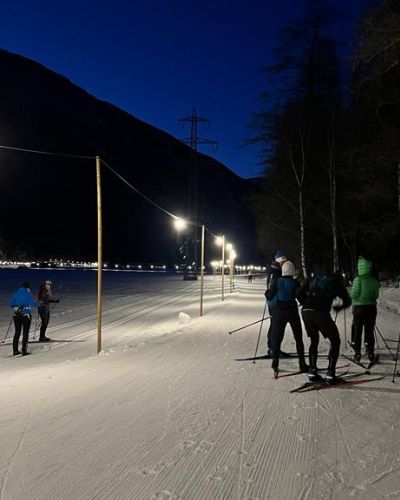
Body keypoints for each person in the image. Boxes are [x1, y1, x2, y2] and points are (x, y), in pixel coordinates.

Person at [296, 264, 352, 383]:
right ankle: (330, 374)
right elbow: (347, 301)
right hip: (319, 313)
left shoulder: (317, 279)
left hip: (306, 311)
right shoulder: (336, 282)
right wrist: (338, 307)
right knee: (335, 340)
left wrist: (306, 302)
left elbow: (298, 292)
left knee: (314, 340)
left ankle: (312, 372)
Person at [266, 261, 308, 374]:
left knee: (277, 338)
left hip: (279, 313)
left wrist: (267, 293)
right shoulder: (295, 283)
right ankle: (302, 364)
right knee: (298, 338)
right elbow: (301, 299)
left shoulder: (277, 282)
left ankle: (275, 362)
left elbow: (270, 296)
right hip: (292, 312)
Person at [349, 257, 380, 362]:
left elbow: (354, 294)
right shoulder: (374, 280)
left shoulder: (358, 279)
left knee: (358, 330)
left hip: (360, 308)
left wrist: (350, 294)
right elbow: (376, 295)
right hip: (371, 308)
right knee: (369, 331)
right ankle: (370, 351)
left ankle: (357, 353)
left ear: (360, 267)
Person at [265, 250, 290, 357]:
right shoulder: (276, 272)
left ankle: (274, 347)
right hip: (276, 303)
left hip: (274, 302)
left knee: (275, 325)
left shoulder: (274, 271)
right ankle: (273, 348)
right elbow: (274, 288)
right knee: (276, 326)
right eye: (282, 262)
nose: (284, 264)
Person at [8, 281, 38, 356]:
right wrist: (37, 302)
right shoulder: (28, 294)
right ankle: (24, 350)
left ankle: (15, 350)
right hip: (25, 315)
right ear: (28, 288)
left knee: (17, 333)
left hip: (16, 315)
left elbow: (10, 304)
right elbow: (33, 304)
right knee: (25, 333)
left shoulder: (15, 294)